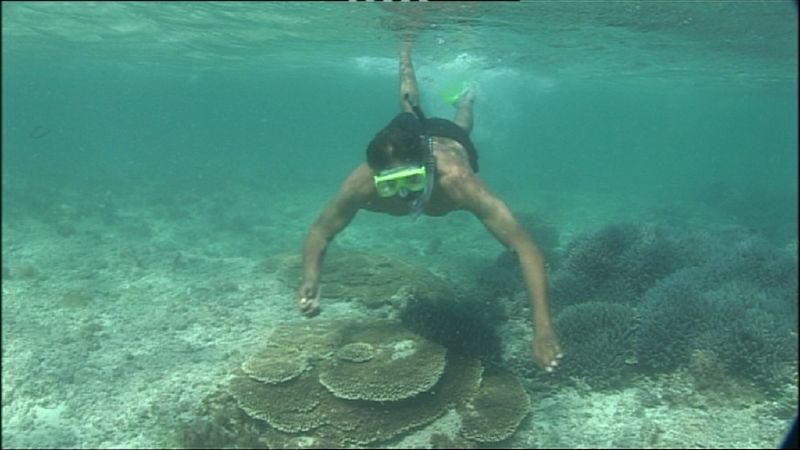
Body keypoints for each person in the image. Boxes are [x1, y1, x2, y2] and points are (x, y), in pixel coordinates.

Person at [295, 45, 563, 373]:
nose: (404, 194)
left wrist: (543, 327)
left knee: (461, 126)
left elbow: (524, 247)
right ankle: (404, 52)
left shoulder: (458, 181)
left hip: (449, 142)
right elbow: (320, 230)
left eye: (411, 179)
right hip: (408, 133)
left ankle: (466, 99)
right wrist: (311, 277)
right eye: (390, 184)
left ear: (428, 166)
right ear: (376, 174)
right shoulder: (361, 184)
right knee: (409, 106)